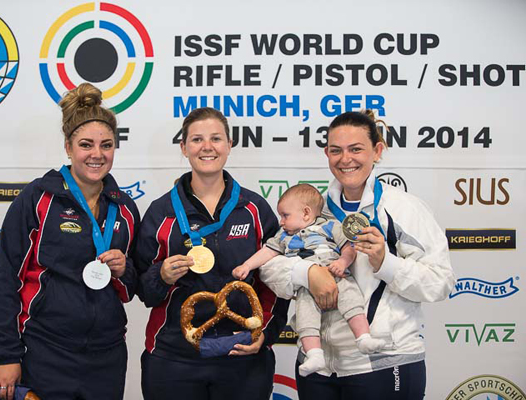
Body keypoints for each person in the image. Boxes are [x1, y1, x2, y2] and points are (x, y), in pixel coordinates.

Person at [259, 110, 455, 399]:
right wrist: (307, 274)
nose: (345, 159)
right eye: (336, 150)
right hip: (318, 365)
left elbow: (441, 282)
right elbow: (270, 268)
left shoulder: (403, 209)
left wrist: (386, 263)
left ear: (377, 151)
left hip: (384, 362)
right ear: (326, 153)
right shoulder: (311, 209)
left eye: (356, 149)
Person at [0, 83, 140, 400]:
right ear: (69, 147)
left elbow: (132, 288)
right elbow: (4, 277)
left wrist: (124, 270)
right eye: (86, 145)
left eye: (106, 145)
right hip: (45, 350)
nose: (97, 154)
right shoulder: (37, 198)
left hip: (107, 357)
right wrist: (7, 355)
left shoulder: (125, 208)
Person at [134, 107, 289, 400]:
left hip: (243, 356)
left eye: (216, 138)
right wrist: (161, 276)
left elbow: (279, 283)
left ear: (229, 145)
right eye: (196, 139)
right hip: (173, 358)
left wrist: (265, 336)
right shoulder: (161, 212)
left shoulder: (254, 210)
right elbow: (143, 291)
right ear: (183, 147)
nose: (207, 147)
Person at [232, 183, 388, 378]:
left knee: (352, 301)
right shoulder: (283, 237)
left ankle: (364, 338)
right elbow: (267, 252)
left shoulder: (331, 226)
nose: (281, 222)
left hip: (337, 275)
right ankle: (314, 355)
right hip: (307, 288)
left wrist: (342, 261)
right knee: (305, 317)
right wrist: (247, 266)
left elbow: (349, 248)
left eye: (285, 215)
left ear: (306, 213)